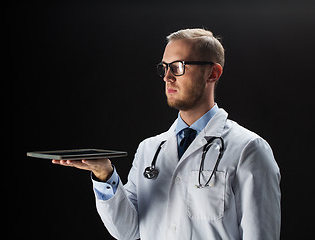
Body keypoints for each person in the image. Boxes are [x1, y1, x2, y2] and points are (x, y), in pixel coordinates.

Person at [52, 28, 281, 240]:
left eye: (179, 66)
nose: (167, 77)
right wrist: (104, 174)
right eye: (165, 67)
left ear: (213, 73)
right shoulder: (149, 150)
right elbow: (127, 231)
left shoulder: (248, 149)